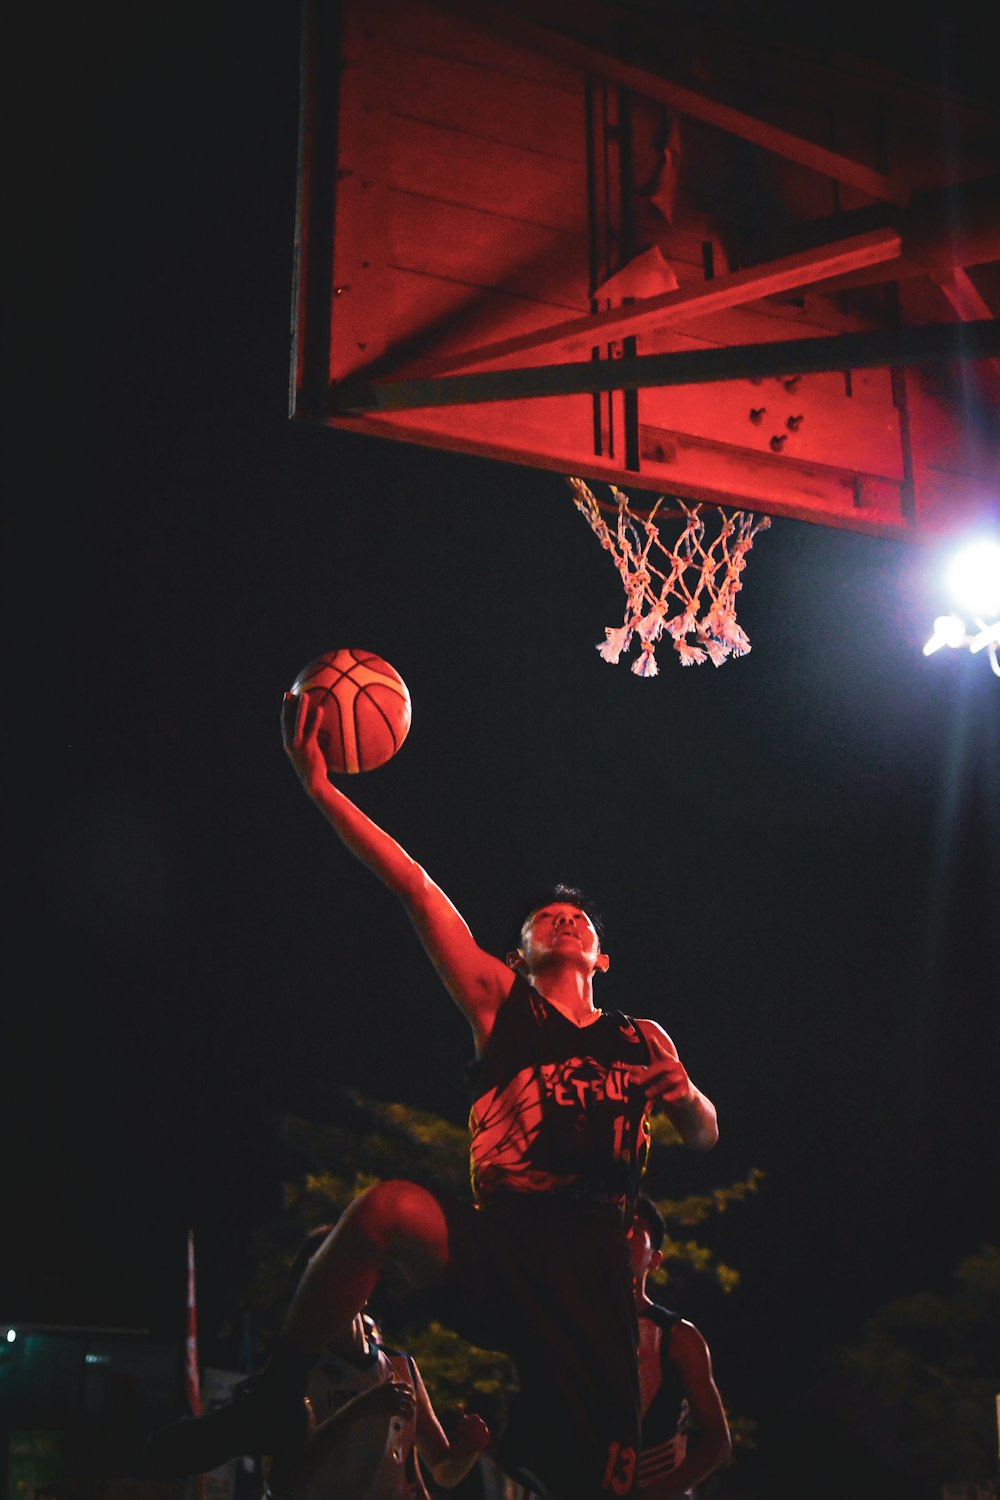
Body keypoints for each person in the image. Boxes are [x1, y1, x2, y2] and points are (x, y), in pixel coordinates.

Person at [148, 692, 719, 1500]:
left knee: (598, 1484)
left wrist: (689, 1097)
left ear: (602, 954)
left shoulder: (642, 1036)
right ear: (517, 954)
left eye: (575, 917)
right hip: (508, 1244)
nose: (561, 920)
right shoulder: (499, 1002)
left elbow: (704, 1136)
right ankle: (276, 1396)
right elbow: (416, 888)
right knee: (386, 1209)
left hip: (593, 1276)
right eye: (544, 918)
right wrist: (322, 789)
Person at [264, 1227, 490, 1500]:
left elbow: (443, 1470)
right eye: (334, 1270)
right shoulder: (293, 1368)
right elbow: (282, 1478)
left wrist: (468, 1449)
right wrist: (360, 1408)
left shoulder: (399, 1365)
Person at [629, 1197, 731, 1498]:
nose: (623, 1234)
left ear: (655, 1259)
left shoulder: (677, 1337)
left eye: (635, 1227)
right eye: (617, 1224)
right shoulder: (573, 1321)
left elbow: (718, 1442)